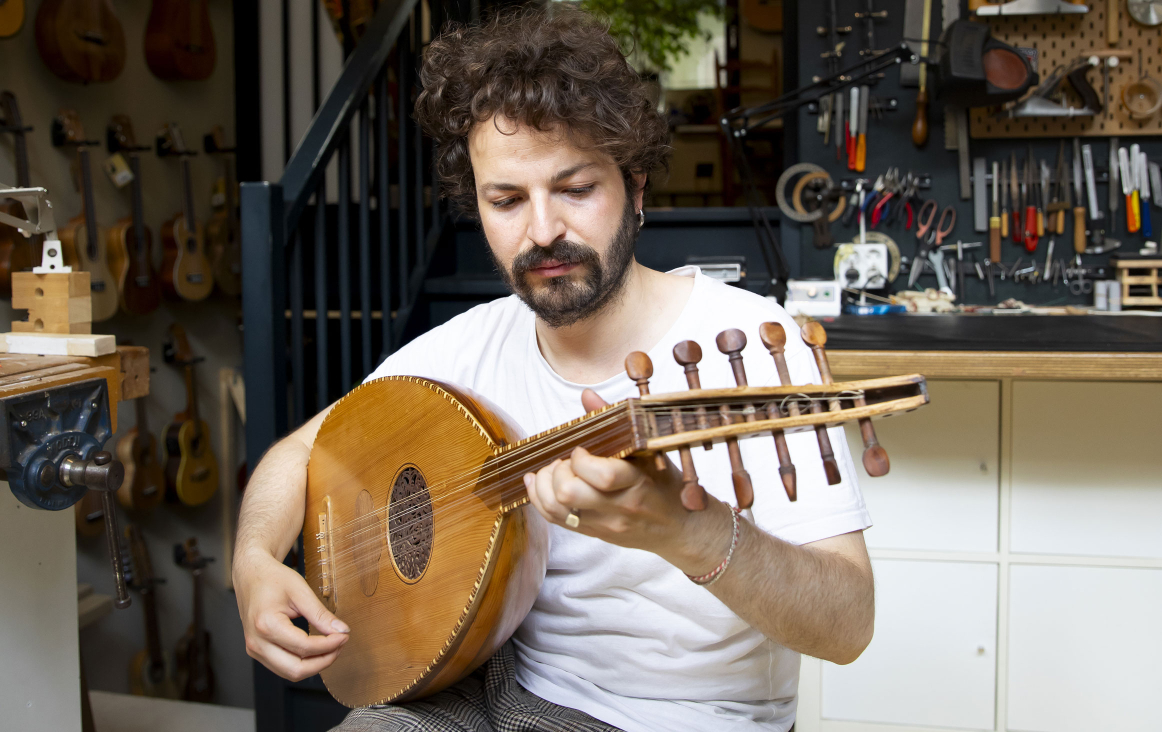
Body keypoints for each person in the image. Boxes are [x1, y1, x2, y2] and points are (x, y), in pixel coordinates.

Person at [233, 7, 874, 732]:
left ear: (634, 186)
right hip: (487, 672)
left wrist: (689, 534)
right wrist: (253, 563)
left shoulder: (751, 344)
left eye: (574, 189)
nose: (542, 232)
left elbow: (847, 626)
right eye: (506, 200)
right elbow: (300, 453)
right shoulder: (468, 346)